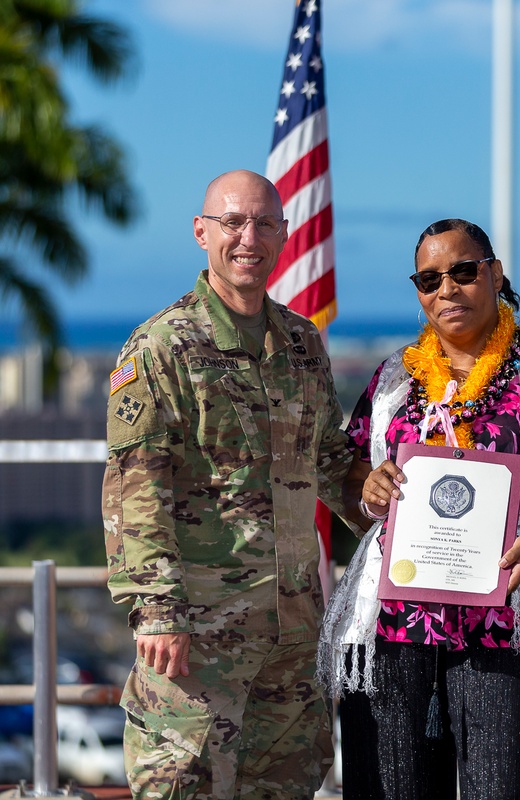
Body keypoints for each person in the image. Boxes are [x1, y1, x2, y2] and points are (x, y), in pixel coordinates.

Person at [318, 218, 520, 800]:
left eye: (463, 271)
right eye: (429, 280)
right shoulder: (391, 381)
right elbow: (353, 474)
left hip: (505, 622)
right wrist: (371, 485)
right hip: (393, 625)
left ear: (495, 274)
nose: (447, 290)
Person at [101, 169, 352, 800]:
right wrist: (157, 608)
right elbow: (137, 487)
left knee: (288, 787)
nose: (249, 238)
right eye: (233, 223)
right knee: (183, 786)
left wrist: (417, 523)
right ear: (201, 232)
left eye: (265, 223)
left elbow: (330, 459)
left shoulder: (300, 343)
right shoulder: (163, 347)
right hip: (197, 637)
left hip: (291, 633)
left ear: (285, 235)